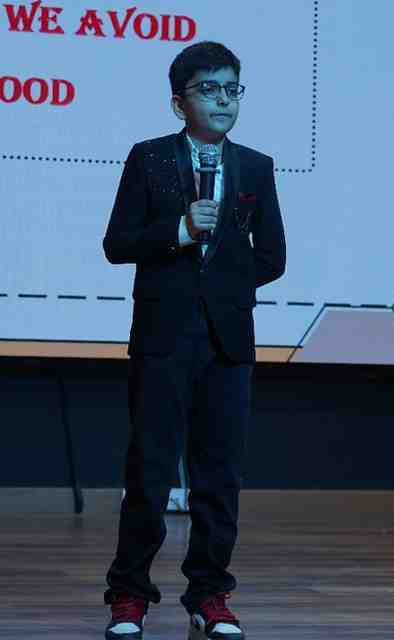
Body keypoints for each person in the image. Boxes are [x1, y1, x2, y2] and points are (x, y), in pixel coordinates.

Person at [101, 41, 286, 639]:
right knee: (150, 473)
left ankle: (210, 594)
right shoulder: (150, 158)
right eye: (209, 89)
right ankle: (129, 594)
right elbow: (117, 244)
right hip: (163, 337)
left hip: (228, 342)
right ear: (179, 103)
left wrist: (224, 286)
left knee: (219, 477)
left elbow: (272, 257)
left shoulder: (256, 166)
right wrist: (179, 231)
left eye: (232, 89)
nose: (223, 100)